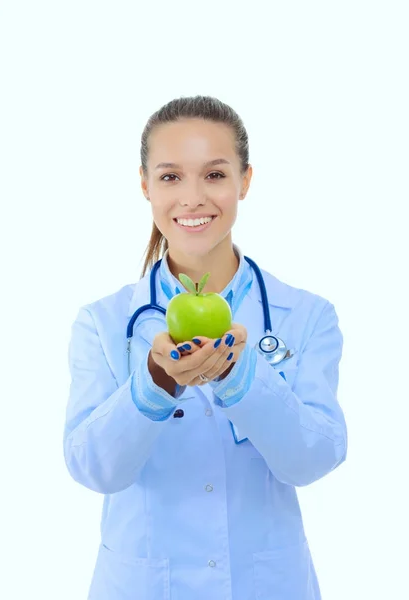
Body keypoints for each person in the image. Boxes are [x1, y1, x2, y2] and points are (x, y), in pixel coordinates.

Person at [64, 95, 347, 600]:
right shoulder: (104, 323)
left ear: (246, 181)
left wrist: (241, 378)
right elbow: (93, 468)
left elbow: (316, 458)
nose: (192, 198)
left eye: (215, 175)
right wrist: (154, 383)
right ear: (145, 185)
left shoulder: (306, 316)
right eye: (171, 177)